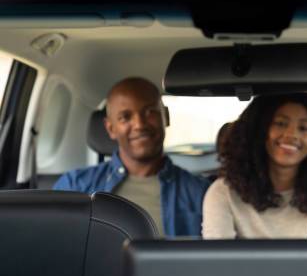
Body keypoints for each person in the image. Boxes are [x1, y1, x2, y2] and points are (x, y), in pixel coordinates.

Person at [54, 77, 210, 236]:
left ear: (166, 117)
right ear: (110, 129)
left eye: (150, 112)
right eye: (125, 117)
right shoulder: (75, 186)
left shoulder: (202, 193)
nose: (140, 124)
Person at [203, 92, 307, 238]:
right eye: (280, 123)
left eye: (304, 128)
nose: (291, 135)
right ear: (259, 131)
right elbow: (215, 262)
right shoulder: (224, 192)